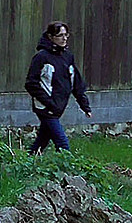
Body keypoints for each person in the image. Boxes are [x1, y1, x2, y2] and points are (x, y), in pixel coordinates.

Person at [24, 21, 92, 154]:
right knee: (62, 144)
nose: (64, 38)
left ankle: (28, 160)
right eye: (60, 35)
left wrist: (85, 106)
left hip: (59, 106)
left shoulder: (68, 56)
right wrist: (49, 103)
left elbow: (76, 83)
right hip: (45, 108)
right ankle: (66, 166)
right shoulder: (41, 57)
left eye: (66, 35)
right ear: (50, 37)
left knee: (42, 139)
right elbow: (31, 84)